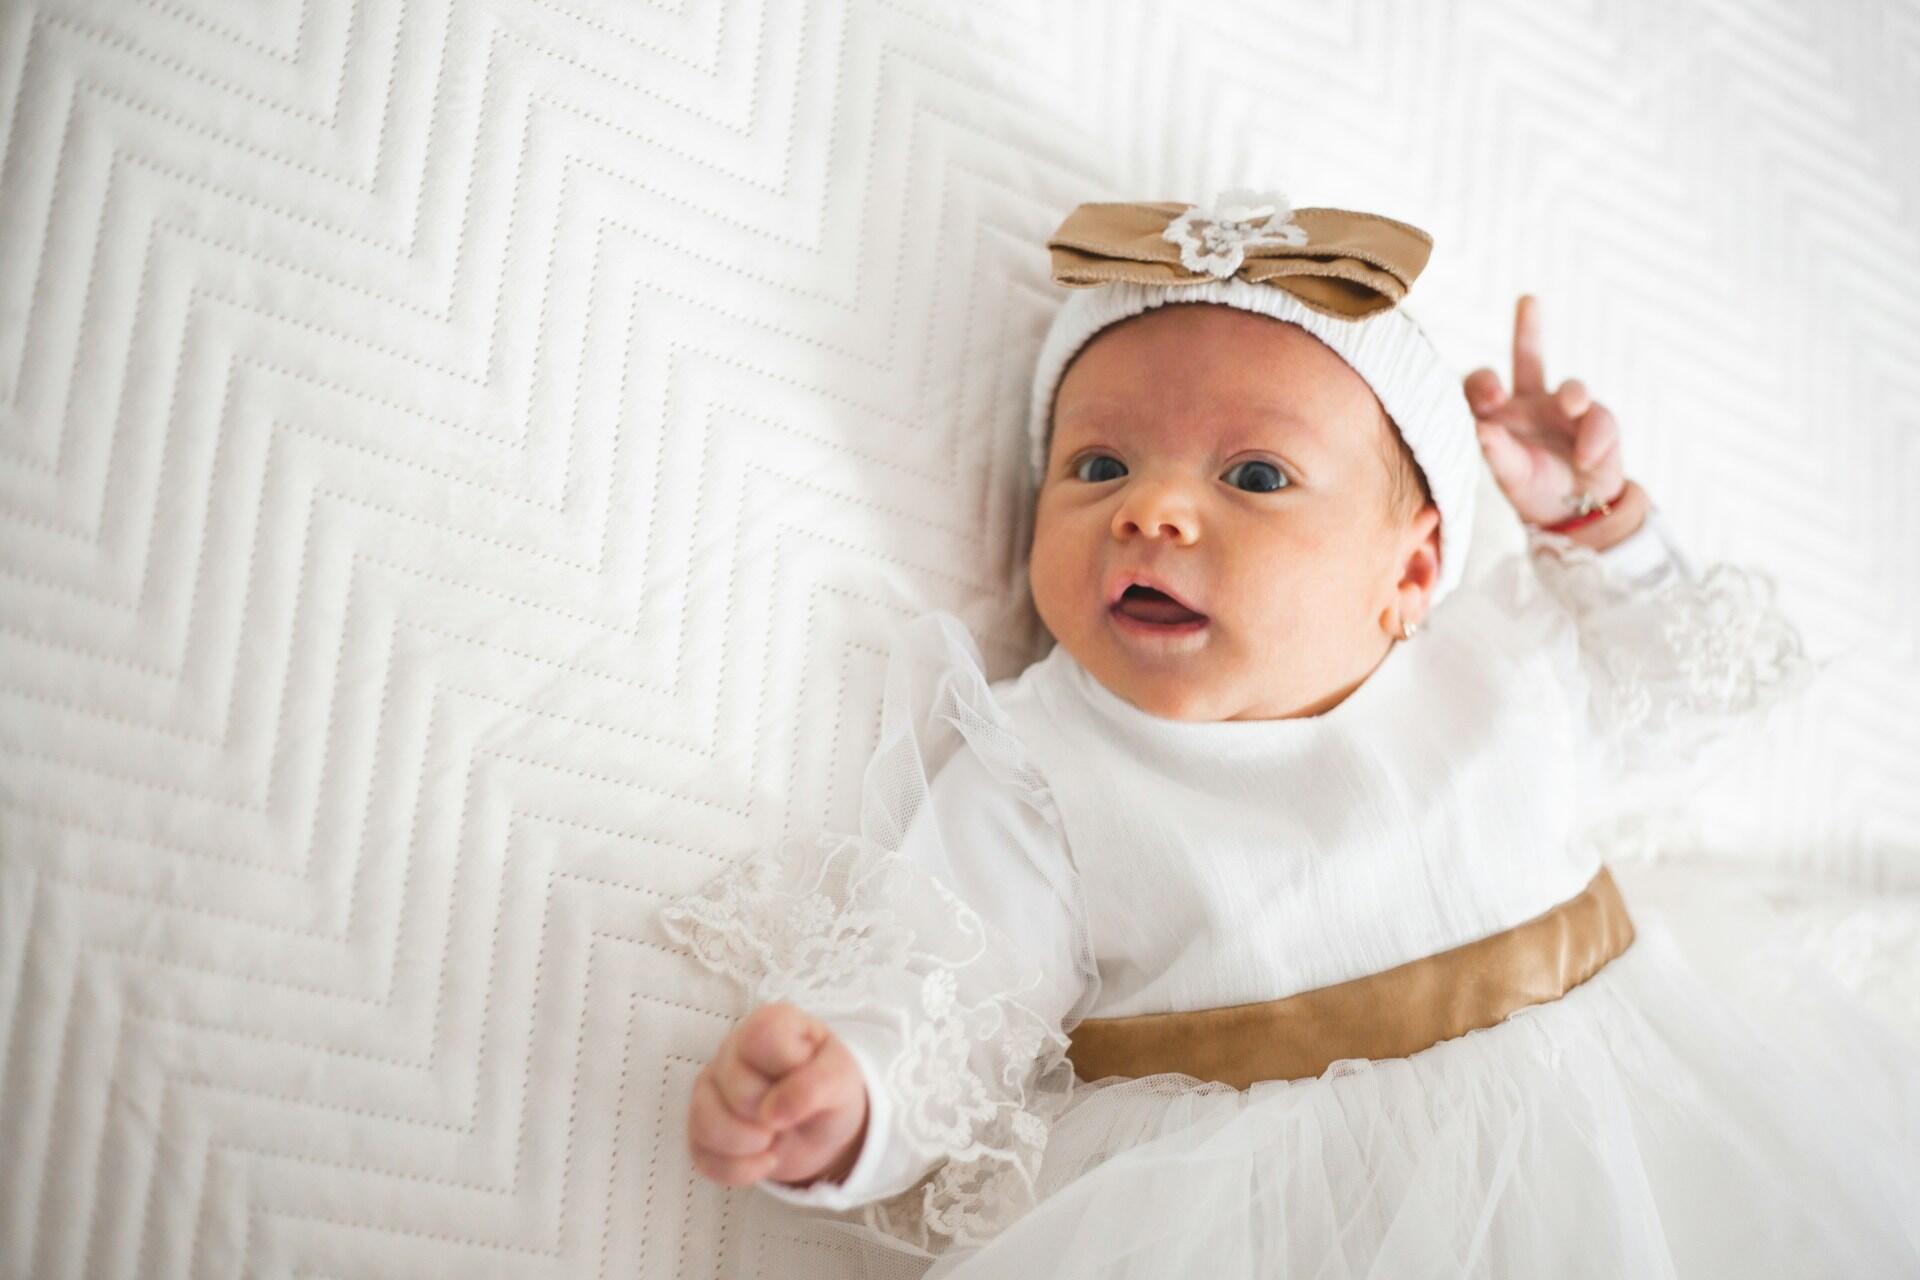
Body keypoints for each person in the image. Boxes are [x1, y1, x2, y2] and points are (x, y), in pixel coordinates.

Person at [660, 190, 1920, 1278]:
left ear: (1413, 570)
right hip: (1258, 1217)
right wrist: (852, 1098)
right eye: (1096, 467)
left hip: (1627, 1129)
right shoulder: (1046, 768)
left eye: (1255, 476)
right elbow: (946, 977)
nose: (1151, 508)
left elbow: (1687, 698)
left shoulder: (1497, 658)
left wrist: (1600, 530)